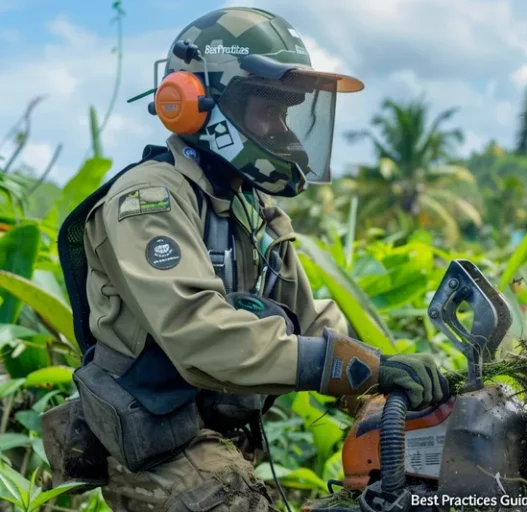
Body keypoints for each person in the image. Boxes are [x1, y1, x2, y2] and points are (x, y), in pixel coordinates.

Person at [55, 7, 449, 511]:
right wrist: (355, 369)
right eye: (269, 109)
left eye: (288, 112)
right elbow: (203, 336)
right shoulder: (149, 201)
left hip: (220, 437)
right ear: (196, 105)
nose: (283, 129)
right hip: (156, 444)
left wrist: (389, 386)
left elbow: (309, 318)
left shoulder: (253, 207)